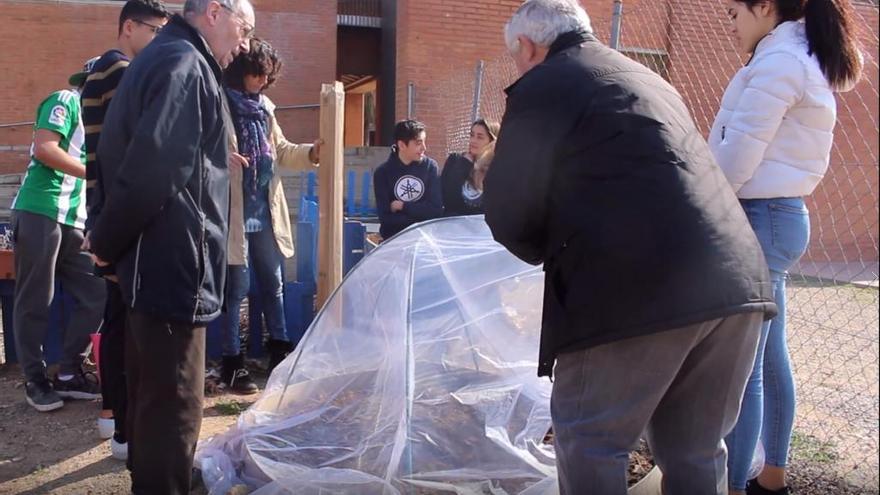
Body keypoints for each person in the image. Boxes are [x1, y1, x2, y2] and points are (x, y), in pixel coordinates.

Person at [482, 1, 778, 494]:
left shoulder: (545, 83)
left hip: (632, 289)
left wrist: (542, 250)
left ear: (529, 47)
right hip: (735, 282)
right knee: (696, 450)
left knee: (590, 439)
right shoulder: (648, 79)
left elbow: (512, 206)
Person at [86, 0, 255, 492]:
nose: (244, 45)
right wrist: (106, 239)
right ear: (216, 12)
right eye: (244, 29)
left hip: (150, 265)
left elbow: (125, 158)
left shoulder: (162, 59)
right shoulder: (185, 64)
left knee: (150, 397)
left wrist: (108, 238)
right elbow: (153, 169)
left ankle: (157, 478)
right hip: (171, 266)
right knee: (173, 405)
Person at [709, 1, 863, 493]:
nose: (730, 23)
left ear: (765, 8)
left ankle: (733, 485)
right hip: (777, 215)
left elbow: (737, 155)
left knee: (745, 368)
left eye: (734, 12)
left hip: (759, 217)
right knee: (770, 358)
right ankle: (770, 477)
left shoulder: (779, 62)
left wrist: (703, 203)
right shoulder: (794, 56)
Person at [81, 0, 169, 460]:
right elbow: (133, 149)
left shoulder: (100, 70)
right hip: (121, 211)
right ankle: (122, 426)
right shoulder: (121, 72)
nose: (159, 40)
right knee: (125, 325)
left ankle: (112, 416)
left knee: (116, 318)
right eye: (155, 30)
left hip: (107, 208)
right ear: (129, 27)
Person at [222, 37, 321, 391]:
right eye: (257, 73)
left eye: (268, 75)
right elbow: (200, 147)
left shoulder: (265, 109)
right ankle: (232, 363)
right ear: (241, 70)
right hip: (233, 211)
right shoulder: (220, 103)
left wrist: (312, 152)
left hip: (264, 209)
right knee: (237, 287)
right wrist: (220, 157)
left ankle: (279, 351)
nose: (263, 81)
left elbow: (280, 150)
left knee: (273, 282)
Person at [11, 59, 106, 413]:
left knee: (98, 291)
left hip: (75, 219)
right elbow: (45, 149)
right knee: (36, 299)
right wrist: (97, 172)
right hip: (41, 209)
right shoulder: (66, 101)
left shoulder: (103, 125)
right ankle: (35, 380)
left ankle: (68, 372)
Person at [374, 120, 443, 240]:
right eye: (418, 143)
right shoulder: (382, 173)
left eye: (424, 142)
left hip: (424, 240)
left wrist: (403, 206)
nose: (424, 148)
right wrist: (419, 216)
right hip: (394, 241)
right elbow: (386, 219)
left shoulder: (430, 167)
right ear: (401, 145)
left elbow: (435, 210)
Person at [441, 118, 500, 216]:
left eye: (480, 137)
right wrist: (464, 165)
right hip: (452, 224)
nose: (473, 140)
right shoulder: (455, 160)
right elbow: (447, 199)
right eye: (472, 135)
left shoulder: (496, 168)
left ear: (492, 142)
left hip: (480, 227)